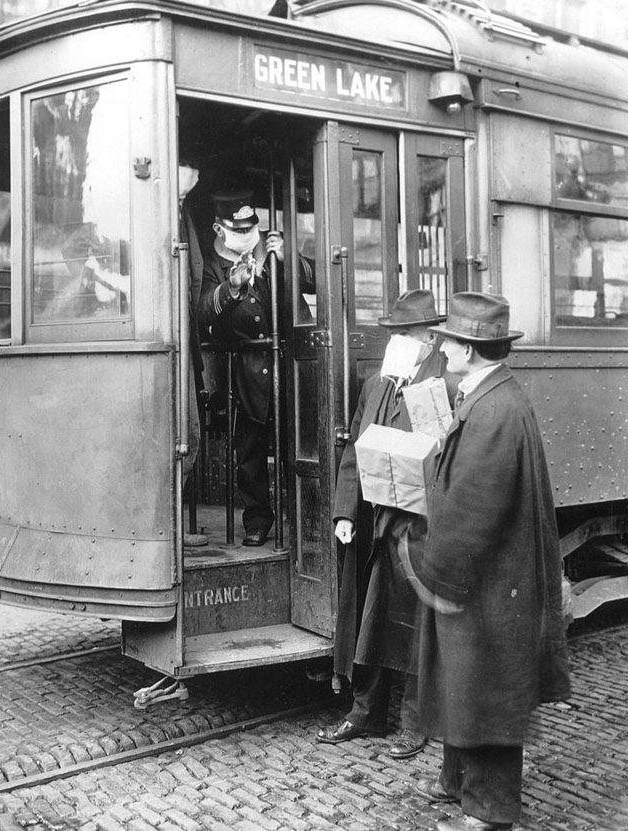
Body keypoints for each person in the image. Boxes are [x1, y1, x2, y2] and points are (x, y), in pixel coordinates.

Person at [408, 292, 571, 831]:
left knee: (488, 693)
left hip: (487, 583)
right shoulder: (492, 394)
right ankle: (459, 785)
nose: (441, 345)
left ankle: (488, 812)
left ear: (471, 350)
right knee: (469, 684)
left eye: (449, 339)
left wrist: (434, 568)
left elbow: (474, 506)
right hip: (491, 579)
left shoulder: (493, 407)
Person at [317, 290, 455, 758]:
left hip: (420, 526)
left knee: (419, 621)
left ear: (430, 338)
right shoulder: (378, 384)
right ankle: (365, 711)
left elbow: (451, 460)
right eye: (393, 332)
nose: (395, 340)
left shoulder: (445, 386)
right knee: (371, 619)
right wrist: (343, 511)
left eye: (405, 332)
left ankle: (417, 721)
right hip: (375, 524)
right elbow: (355, 450)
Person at [198, 188, 313, 546]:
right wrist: (232, 288)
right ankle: (258, 520)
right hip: (248, 368)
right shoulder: (214, 265)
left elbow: (316, 281)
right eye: (239, 231)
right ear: (220, 231)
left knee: (300, 443)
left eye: (252, 230)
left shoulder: (272, 249)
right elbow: (204, 313)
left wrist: (289, 260)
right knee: (250, 451)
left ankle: (306, 517)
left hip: (291, 365)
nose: (249, 237)